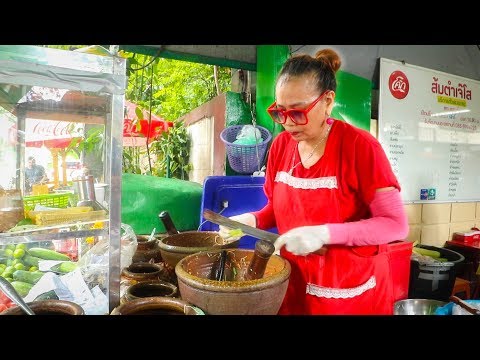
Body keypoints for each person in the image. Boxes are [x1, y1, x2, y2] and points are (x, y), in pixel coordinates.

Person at [219, 49, 409, 315]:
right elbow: (280, 207)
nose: (287, 123)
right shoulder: (281, 146)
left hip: (347, 290)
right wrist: (252, 220)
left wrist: (325, 234)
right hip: (294, 282)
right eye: (279, 112)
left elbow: (395, 225)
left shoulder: (360, 147)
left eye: (297, 112)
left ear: (328, 101)